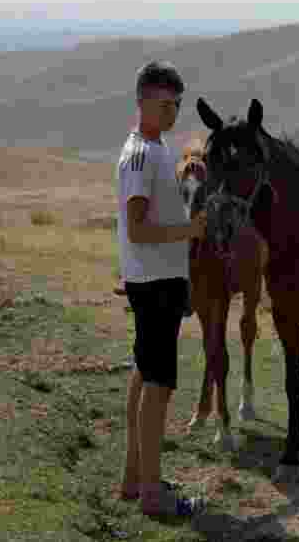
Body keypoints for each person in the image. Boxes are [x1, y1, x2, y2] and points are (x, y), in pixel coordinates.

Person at [116, 60, 208, 517]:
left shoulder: (156, 147)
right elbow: (136, 228)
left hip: (157, 283)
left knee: (143, 376)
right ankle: (153, 494)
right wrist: (189, 233)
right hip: (155, 287)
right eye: (166, 104)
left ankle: (136, 479)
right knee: (158, 386)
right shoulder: (142, 155)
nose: (173, 112)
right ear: (144, 102)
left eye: (177, 104)